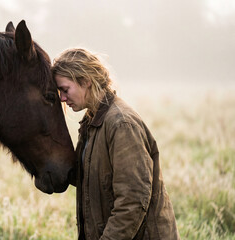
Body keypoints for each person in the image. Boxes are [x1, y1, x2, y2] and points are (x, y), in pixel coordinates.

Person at [52, 48, 180, 240]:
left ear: (86, 81)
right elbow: (88, 178)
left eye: (65, 89)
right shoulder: (92, 121)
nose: (62, 98)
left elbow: (133, 200)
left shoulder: (121, 124)